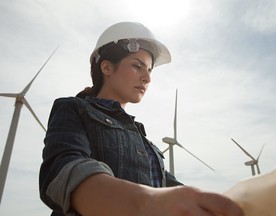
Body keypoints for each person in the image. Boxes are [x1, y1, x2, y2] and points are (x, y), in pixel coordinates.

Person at [39, 22, 244, 216]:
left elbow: (175, 195)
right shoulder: (74, 108)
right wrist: (147, 202)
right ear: (107, 67)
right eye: (137, 66)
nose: (147, 78)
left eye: (149, 70)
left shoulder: (149, 146)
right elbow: (62, 173)